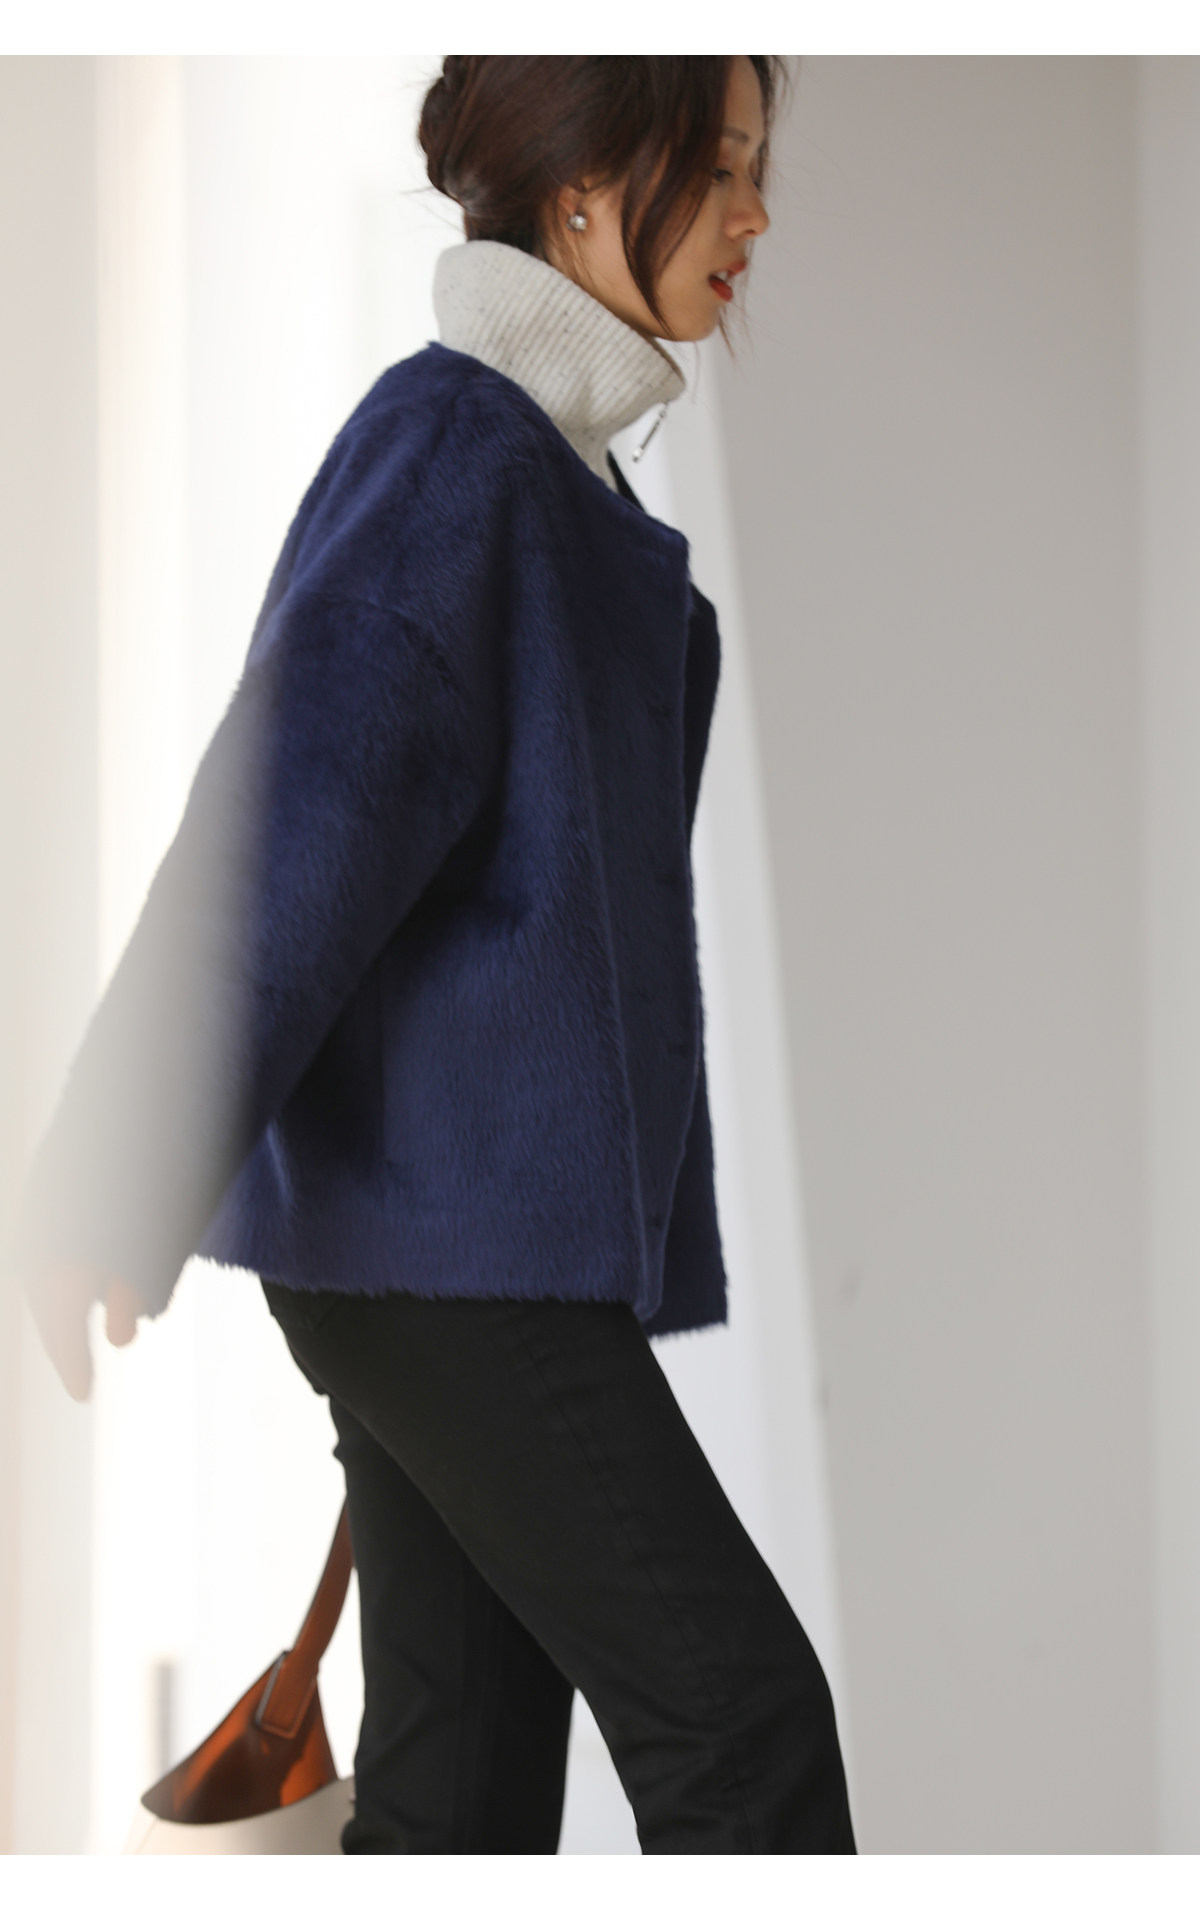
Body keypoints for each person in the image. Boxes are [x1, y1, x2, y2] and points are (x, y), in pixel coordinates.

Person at [19, 56, 857, 1854]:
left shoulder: (547, 478)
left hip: (457, 1243)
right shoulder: (457, 453)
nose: (755, 213)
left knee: (459, 1798)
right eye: (719, 165)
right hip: (446, 1251)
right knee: (742, 1727)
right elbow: (283, 823)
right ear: (581, 185)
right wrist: (118, 1159)